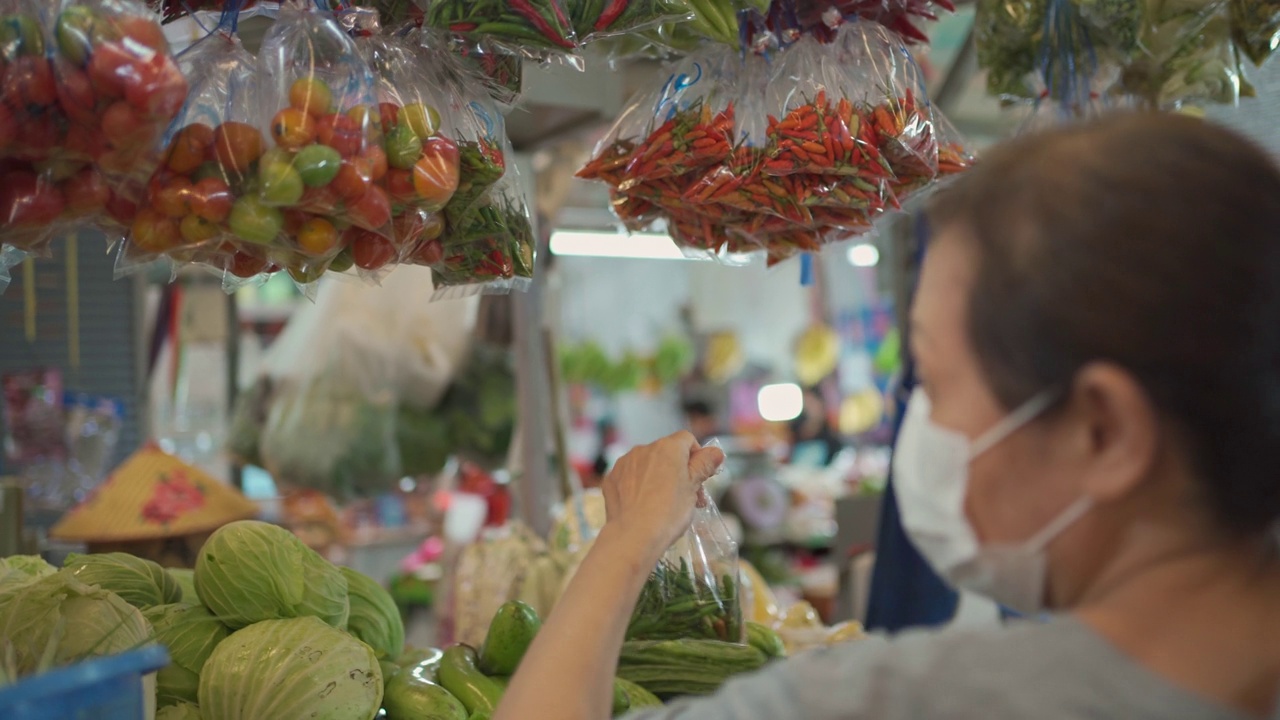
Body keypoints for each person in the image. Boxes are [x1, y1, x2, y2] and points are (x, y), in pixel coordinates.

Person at [493, 112, 1280, 720]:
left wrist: (627, 540)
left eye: (933, 382)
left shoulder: (912, 702)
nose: (923, 426)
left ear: (1101, 432)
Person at [788, 387, 844, 466]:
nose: (808, 408)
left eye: (811, 403)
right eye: (805, 404)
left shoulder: (832, 432)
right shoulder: (794, 428)